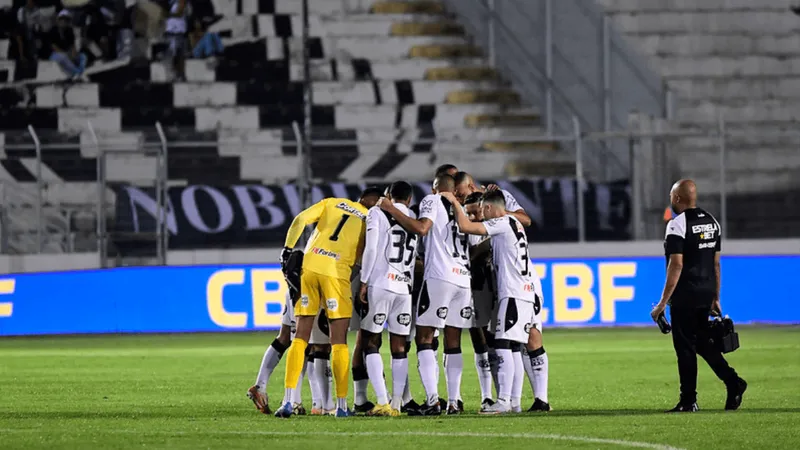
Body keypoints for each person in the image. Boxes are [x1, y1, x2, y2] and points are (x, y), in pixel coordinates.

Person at [275, 188, 382, 418]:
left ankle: (287, 401)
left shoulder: (332, 202)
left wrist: (287, 250)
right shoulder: (371, 218)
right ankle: (342, 406)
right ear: (374, 203)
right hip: (336, 274)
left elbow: (300, 219)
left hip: (310, 268)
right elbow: (365, 255)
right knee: (339, 342)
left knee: (301, 337)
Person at [441, 190, 550, 414]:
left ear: (489, 208)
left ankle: (503, 400)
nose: (481, 215)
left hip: (513, 293)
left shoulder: (501, 222)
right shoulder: (514, 224)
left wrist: (454, 202)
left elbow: (466, 228)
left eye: (482, 210)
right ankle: (514, 402)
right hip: (524, 291)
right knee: (512, 347)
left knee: (502, 345)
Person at [379, 174, 473, 416]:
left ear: (435, 187)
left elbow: (422, 228)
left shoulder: (432, 200)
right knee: (453, 342)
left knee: (424, 338)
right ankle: (454, 402)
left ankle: (433, 401)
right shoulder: (460, 207)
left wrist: (390, 208)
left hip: (440, 278)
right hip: (464, 279)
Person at [650, 179, 747, 413]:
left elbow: (676, 265)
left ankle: (688, 401)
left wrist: (662, 303)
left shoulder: (677, 225)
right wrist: (715, 296)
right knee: (703, 344)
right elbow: (716, 264)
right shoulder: (712, 222)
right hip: (705, 292)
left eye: (672, 196)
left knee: (684, 346)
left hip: (686, 294)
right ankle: (734, 382)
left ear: (677, 198)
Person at [358, 181, 418, 417]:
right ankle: (397, 404)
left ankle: (382, 402)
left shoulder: (377, 213)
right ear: (409, 199)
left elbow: (371, 249)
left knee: (370, 342)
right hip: (404, 287)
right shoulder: (412, 218)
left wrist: (364, 280)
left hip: (381, 284)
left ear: (388, 196)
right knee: (399, 346)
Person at [49, 10, 88, 79]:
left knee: (82, 56)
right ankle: (78, 73)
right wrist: (67, 54)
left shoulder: (69, 30)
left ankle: (81, 71)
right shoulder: (52, 30)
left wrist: (73, 53)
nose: (64, 21)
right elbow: (54, 47)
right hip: (55, 54)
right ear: (58, 20)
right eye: (62, 19)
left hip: (67, 52)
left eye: (66, 20)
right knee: (64, 57)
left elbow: (72, 45)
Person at [164, 0, 188, 81]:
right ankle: (175, 75)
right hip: (171, 32)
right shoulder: (171, 3)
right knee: (173, 55)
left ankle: (180, 75)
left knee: (178, 55)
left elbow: (179, 12)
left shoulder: (181, 2)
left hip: (178, 32)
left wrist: (165, 14)